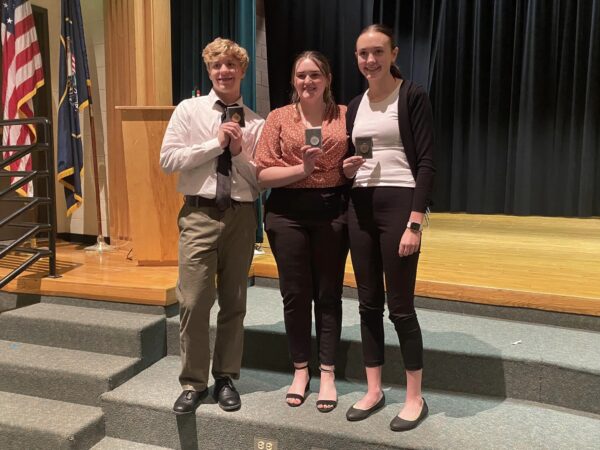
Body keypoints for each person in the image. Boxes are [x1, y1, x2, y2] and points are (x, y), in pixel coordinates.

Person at [160, 37, 264, 415]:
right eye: (217, 65)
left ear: (242, 72)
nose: (224, 71)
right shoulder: (189, 111)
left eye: (231, 66)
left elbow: (259, 180)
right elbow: (168, 159)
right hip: (199, 214)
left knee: (235, 302)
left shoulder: (255, 122)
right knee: (193, 300)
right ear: (209, 70)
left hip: (241, 215)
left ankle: (225, 378)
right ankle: (193, 383)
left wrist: (237, 153)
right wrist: (215, 144)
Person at [342, 24, 435, 431]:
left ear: (393, 53)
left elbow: (428, 162)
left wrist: (415, 222)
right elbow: (354, 156)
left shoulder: (411, 95)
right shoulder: (354, 104)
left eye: (378, 51)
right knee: (366, 304)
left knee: (399, 307)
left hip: (400, 203)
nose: (370, 60)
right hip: (360, 205)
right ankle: (374, 389)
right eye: (363, 53)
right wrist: (347, 168)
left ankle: (415, 397)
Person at [254, 51, 349, 413]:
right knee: (294, 295)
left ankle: (327, 371)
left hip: (332, 210)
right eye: (300, 75)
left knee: (328, 294)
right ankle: (300, 370)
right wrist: (301, 169)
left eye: (314, 74)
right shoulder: (278, 117)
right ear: (293, 80)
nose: (307, 81)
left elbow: (357, 161)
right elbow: (262, 174)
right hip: (287, 212)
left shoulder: (344, 115)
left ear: (327, 77)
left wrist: (353, 169)